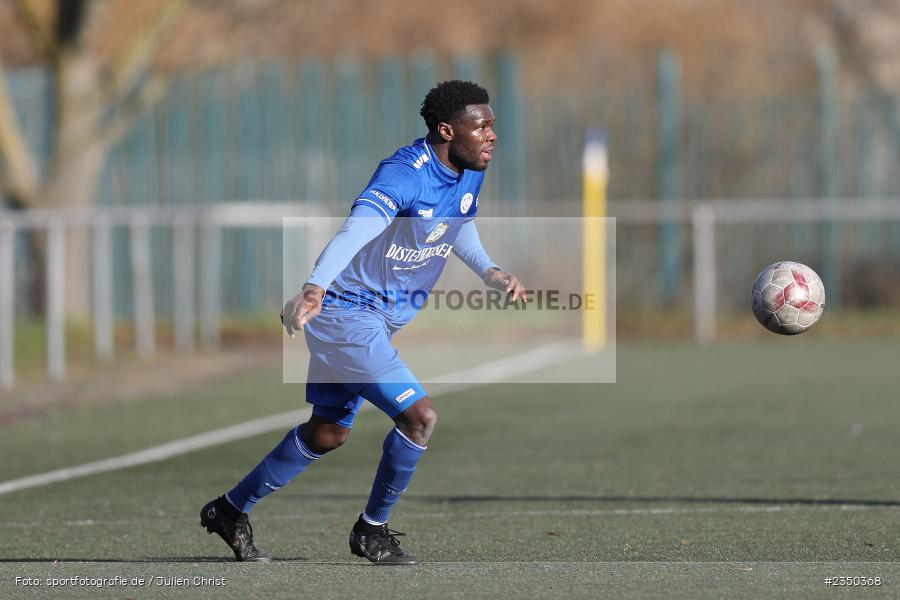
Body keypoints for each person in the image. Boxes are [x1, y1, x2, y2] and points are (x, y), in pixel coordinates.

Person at [200, 80, 526, 564]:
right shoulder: (403, 175)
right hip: (347, 315)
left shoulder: (470, 168)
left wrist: (489, 270)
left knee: (328, 432)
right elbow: (356, 229)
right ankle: (371, 531)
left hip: (376, 321)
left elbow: (456, 221)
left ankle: (229, 510)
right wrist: (315, 286)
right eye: (482, 127)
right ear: (446, 130)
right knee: (419, 418)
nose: (492, 135)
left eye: (492, 125)